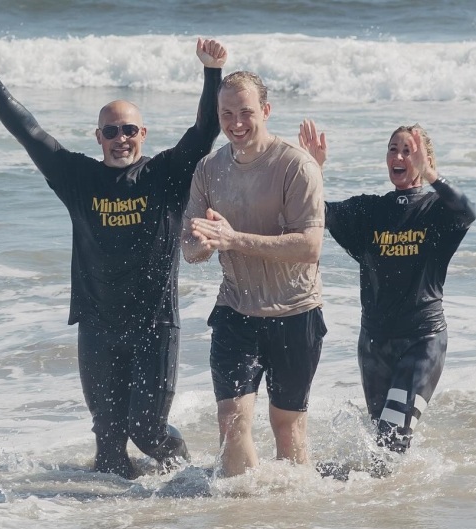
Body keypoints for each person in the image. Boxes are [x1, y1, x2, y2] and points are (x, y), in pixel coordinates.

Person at [0, 38, 228, 479]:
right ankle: (121, 515)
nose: (121, 138)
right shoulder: (78, 178)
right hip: (97, 326)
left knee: (146, 431)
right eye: (111, 131)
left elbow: (204, 131)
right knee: (108, 451)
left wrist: (211, 72)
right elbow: (30, 133)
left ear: (142, 135)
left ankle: (185, 474)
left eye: (129, 130)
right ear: (99, 137)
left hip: (154, 325)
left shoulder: (164, 176)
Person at [299, 119, 476, 457]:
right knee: (379, 444)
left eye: (408, 151)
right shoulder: (370, 211)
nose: (398, 156)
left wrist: (432, 177)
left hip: (422, 340)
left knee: (391, 441)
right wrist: (314, 169)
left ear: (423, 160)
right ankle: (388, 507)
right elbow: (314, 214)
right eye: (393, 149)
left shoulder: (434, 211)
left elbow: (466, 211)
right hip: (374, 343)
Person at [181, 71, 326, 477]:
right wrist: (203, 245)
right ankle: (240, 510)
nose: (236, 122)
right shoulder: (209, 169)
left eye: (246, 112)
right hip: (235, 310)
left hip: (295, 312)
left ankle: (291, 511)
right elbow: (189, 248)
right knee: (230, 421)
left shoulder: (296, 165)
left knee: (288, 426)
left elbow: (310, 247)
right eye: (227, 113)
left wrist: (233, 239)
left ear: (266, 110)